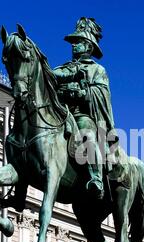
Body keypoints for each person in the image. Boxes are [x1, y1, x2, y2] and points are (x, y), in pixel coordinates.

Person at [53, 17, 115, 200]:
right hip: (61, 114)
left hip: (83, 116)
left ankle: (96, 177)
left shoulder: (98, 70)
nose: (74, 45)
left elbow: (101, 95)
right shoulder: (62, 68)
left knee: (87, 135)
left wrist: (80, 92)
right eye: (73, 42)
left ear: (88, 46)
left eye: (78, 42)